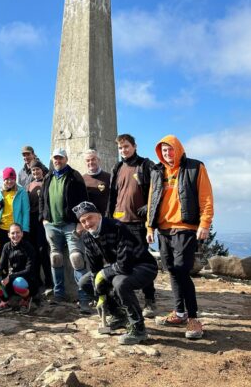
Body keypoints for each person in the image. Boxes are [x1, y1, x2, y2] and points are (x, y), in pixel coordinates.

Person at [146, 135, 214, 340]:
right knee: (172, 271)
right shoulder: (158, 171)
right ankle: (179, 312)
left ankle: (193, 318)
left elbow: (206, 197)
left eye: (170, 149)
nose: (167, 154)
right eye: (164, 151)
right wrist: (150, 227)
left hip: (185, 228)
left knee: (183, 271)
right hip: (164, 230)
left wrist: (205, 223)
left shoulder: (195, 167)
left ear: (179, 149)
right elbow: (152, 199)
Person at [74, 201, 158, 344]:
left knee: (120, 283)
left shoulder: (117, 227)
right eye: (83, 221)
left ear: (99, 216)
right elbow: (95, 269)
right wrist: (99, 294)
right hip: (119, 267)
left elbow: (124, 265)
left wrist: (103, 274)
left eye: (90, 218)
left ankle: (138, 329)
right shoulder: (87, 237)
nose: (87, 223)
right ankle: (118, 315)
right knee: (85, 282)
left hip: (143, 266)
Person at [107, 134, 157, 318]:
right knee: (120, 261)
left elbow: (156, 190)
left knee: (142, 261)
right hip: (119, 222)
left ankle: (150, 299)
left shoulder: (145, 165)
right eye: (120, 148)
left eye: (126, 146)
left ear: (134, 146)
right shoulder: (117, 167)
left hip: (138, 223)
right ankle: (122, 297)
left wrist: (149, 207)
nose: (124, 150)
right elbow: (113, 195)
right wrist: (108, 218)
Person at [39, 148, 90, 313]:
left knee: (77, 259)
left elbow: (84, 200)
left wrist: (81, 221)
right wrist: (44, 219)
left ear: (66, 159)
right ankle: (58, 294)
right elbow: (42, 199)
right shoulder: (48, 177)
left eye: (60, 158)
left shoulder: (75, 176)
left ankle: (84, 298)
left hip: (70, 224)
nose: (57, 161)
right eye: (55, 158)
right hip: (52, 225)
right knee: (55, 258)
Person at [0, 223, 37, 313]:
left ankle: (26, 300)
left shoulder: (29, 247)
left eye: (18, 232)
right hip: (10, 280)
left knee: (19, 282)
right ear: (8, 235)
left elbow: (29, 270)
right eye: (13, 233)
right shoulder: (6, 246)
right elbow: (1, 264)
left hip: (26, 281)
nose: (15, 235)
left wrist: (10, 277)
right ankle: (5, 301)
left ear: (22, 233)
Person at [26, 160, 53, 292]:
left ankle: (49, 280)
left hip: (42, 219)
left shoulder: (47, 182)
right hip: (31, 220)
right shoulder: (29, 185)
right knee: (33, 251)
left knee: (43, 250)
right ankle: (36, 279)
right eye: (33, 170)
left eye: (37, 169)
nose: (35, 172)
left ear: (42, 170)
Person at [0, 167, 30, 249]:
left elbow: (26, 212)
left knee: (16, 254)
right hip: (1, 229)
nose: (9, 181)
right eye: (7, 179)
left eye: (12, 179)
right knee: (2, 255)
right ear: (3, 180)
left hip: (15, 230)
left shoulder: (21, 192)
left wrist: (25, 229)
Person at [82, 149, 111, 216]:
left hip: (105, 217)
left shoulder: (109, 177)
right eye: (88, 160)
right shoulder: (82, 179)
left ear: (98, 160)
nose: (91, 162)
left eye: (93, 159)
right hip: (89, 218)